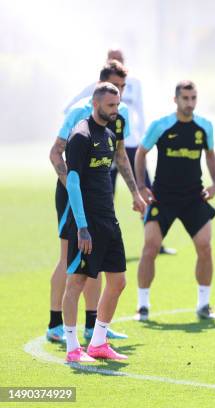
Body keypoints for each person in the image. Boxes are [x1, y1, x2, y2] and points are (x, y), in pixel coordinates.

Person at [48, 60, 132, 343]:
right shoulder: (79, 114)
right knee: (69, 261)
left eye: (122, 88)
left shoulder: (117, 119)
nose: (119, 93)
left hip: (99, 199)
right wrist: (75, 190)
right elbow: (56, 153)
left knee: (98, 264)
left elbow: (120, 157)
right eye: (115, 87)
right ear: (100, 87)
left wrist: (136, 193)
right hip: (74, 196)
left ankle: (92, 326)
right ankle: (54, 323)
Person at [62, 82, 146, 362]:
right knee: (77, 282)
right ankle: (73, 348)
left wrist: (135, 194)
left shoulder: (110, 134)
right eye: (111, 105)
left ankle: (98, 342)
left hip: (109, 220)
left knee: (118, 281)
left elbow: (118, 164)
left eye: (118, 105)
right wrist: (82, 226)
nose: (116, 110)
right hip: (87, 222)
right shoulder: (80, 135)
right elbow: (72, 182)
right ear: (96, 104)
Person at [65, 48, 176, 255]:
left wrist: (142, 138)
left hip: (127, 144)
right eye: (113, 59)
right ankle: (99, 231)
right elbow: (72, 107)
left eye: (121, 59)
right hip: (101, 147)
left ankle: (155, 240)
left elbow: (140, 111)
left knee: (146, 190)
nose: (119, 91)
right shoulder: (95, 92)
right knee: (105, 190)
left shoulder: (134, 86)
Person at [133, 80, 215, 322]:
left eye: (193, 98)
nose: (190, 103)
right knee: (150, 248)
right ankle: (142, 306)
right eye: (185, 98)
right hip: (162, 197)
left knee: (205, 247)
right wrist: (141, 187)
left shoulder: (204, 126)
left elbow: (211, 155)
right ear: (176, 100)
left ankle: (204, 304)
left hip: (194, 197)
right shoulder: (160, 126)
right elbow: (141, 152)